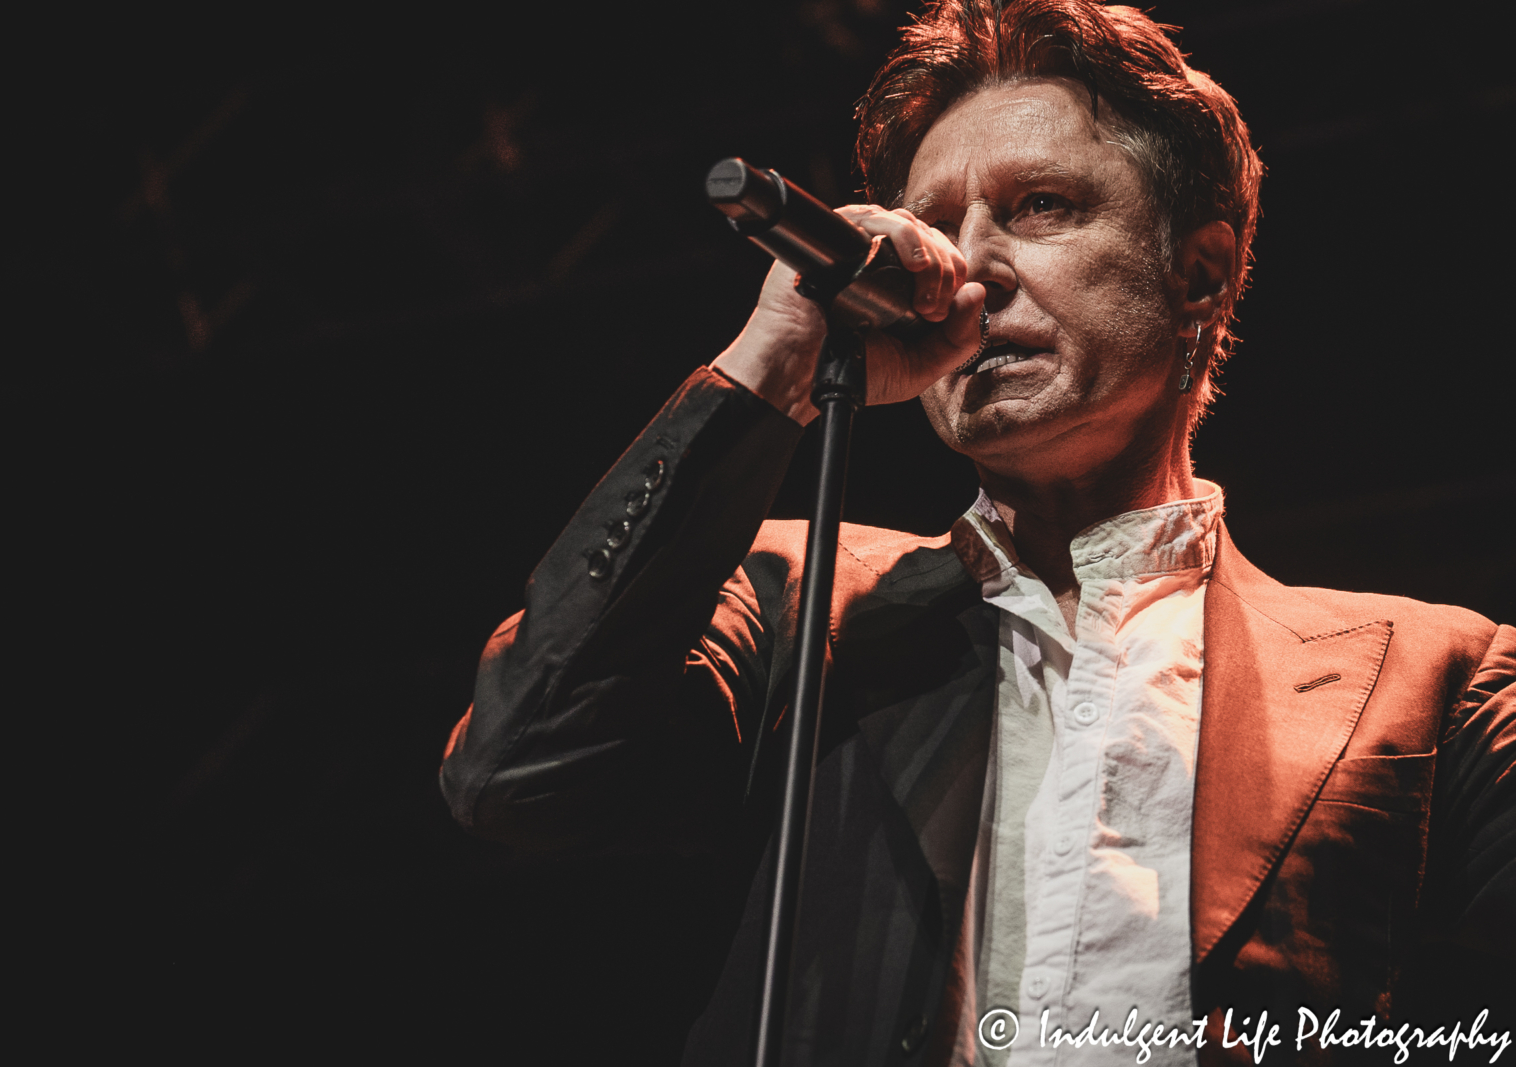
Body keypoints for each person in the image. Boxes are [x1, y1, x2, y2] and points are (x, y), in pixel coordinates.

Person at [441, 1, 1514, 1063]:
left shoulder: (1436, 675)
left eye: (1039, 206)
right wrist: (770, 362)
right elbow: (517, 773)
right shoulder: (793, 594)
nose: (969, 268)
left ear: (1198, 271)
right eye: (936, 224)